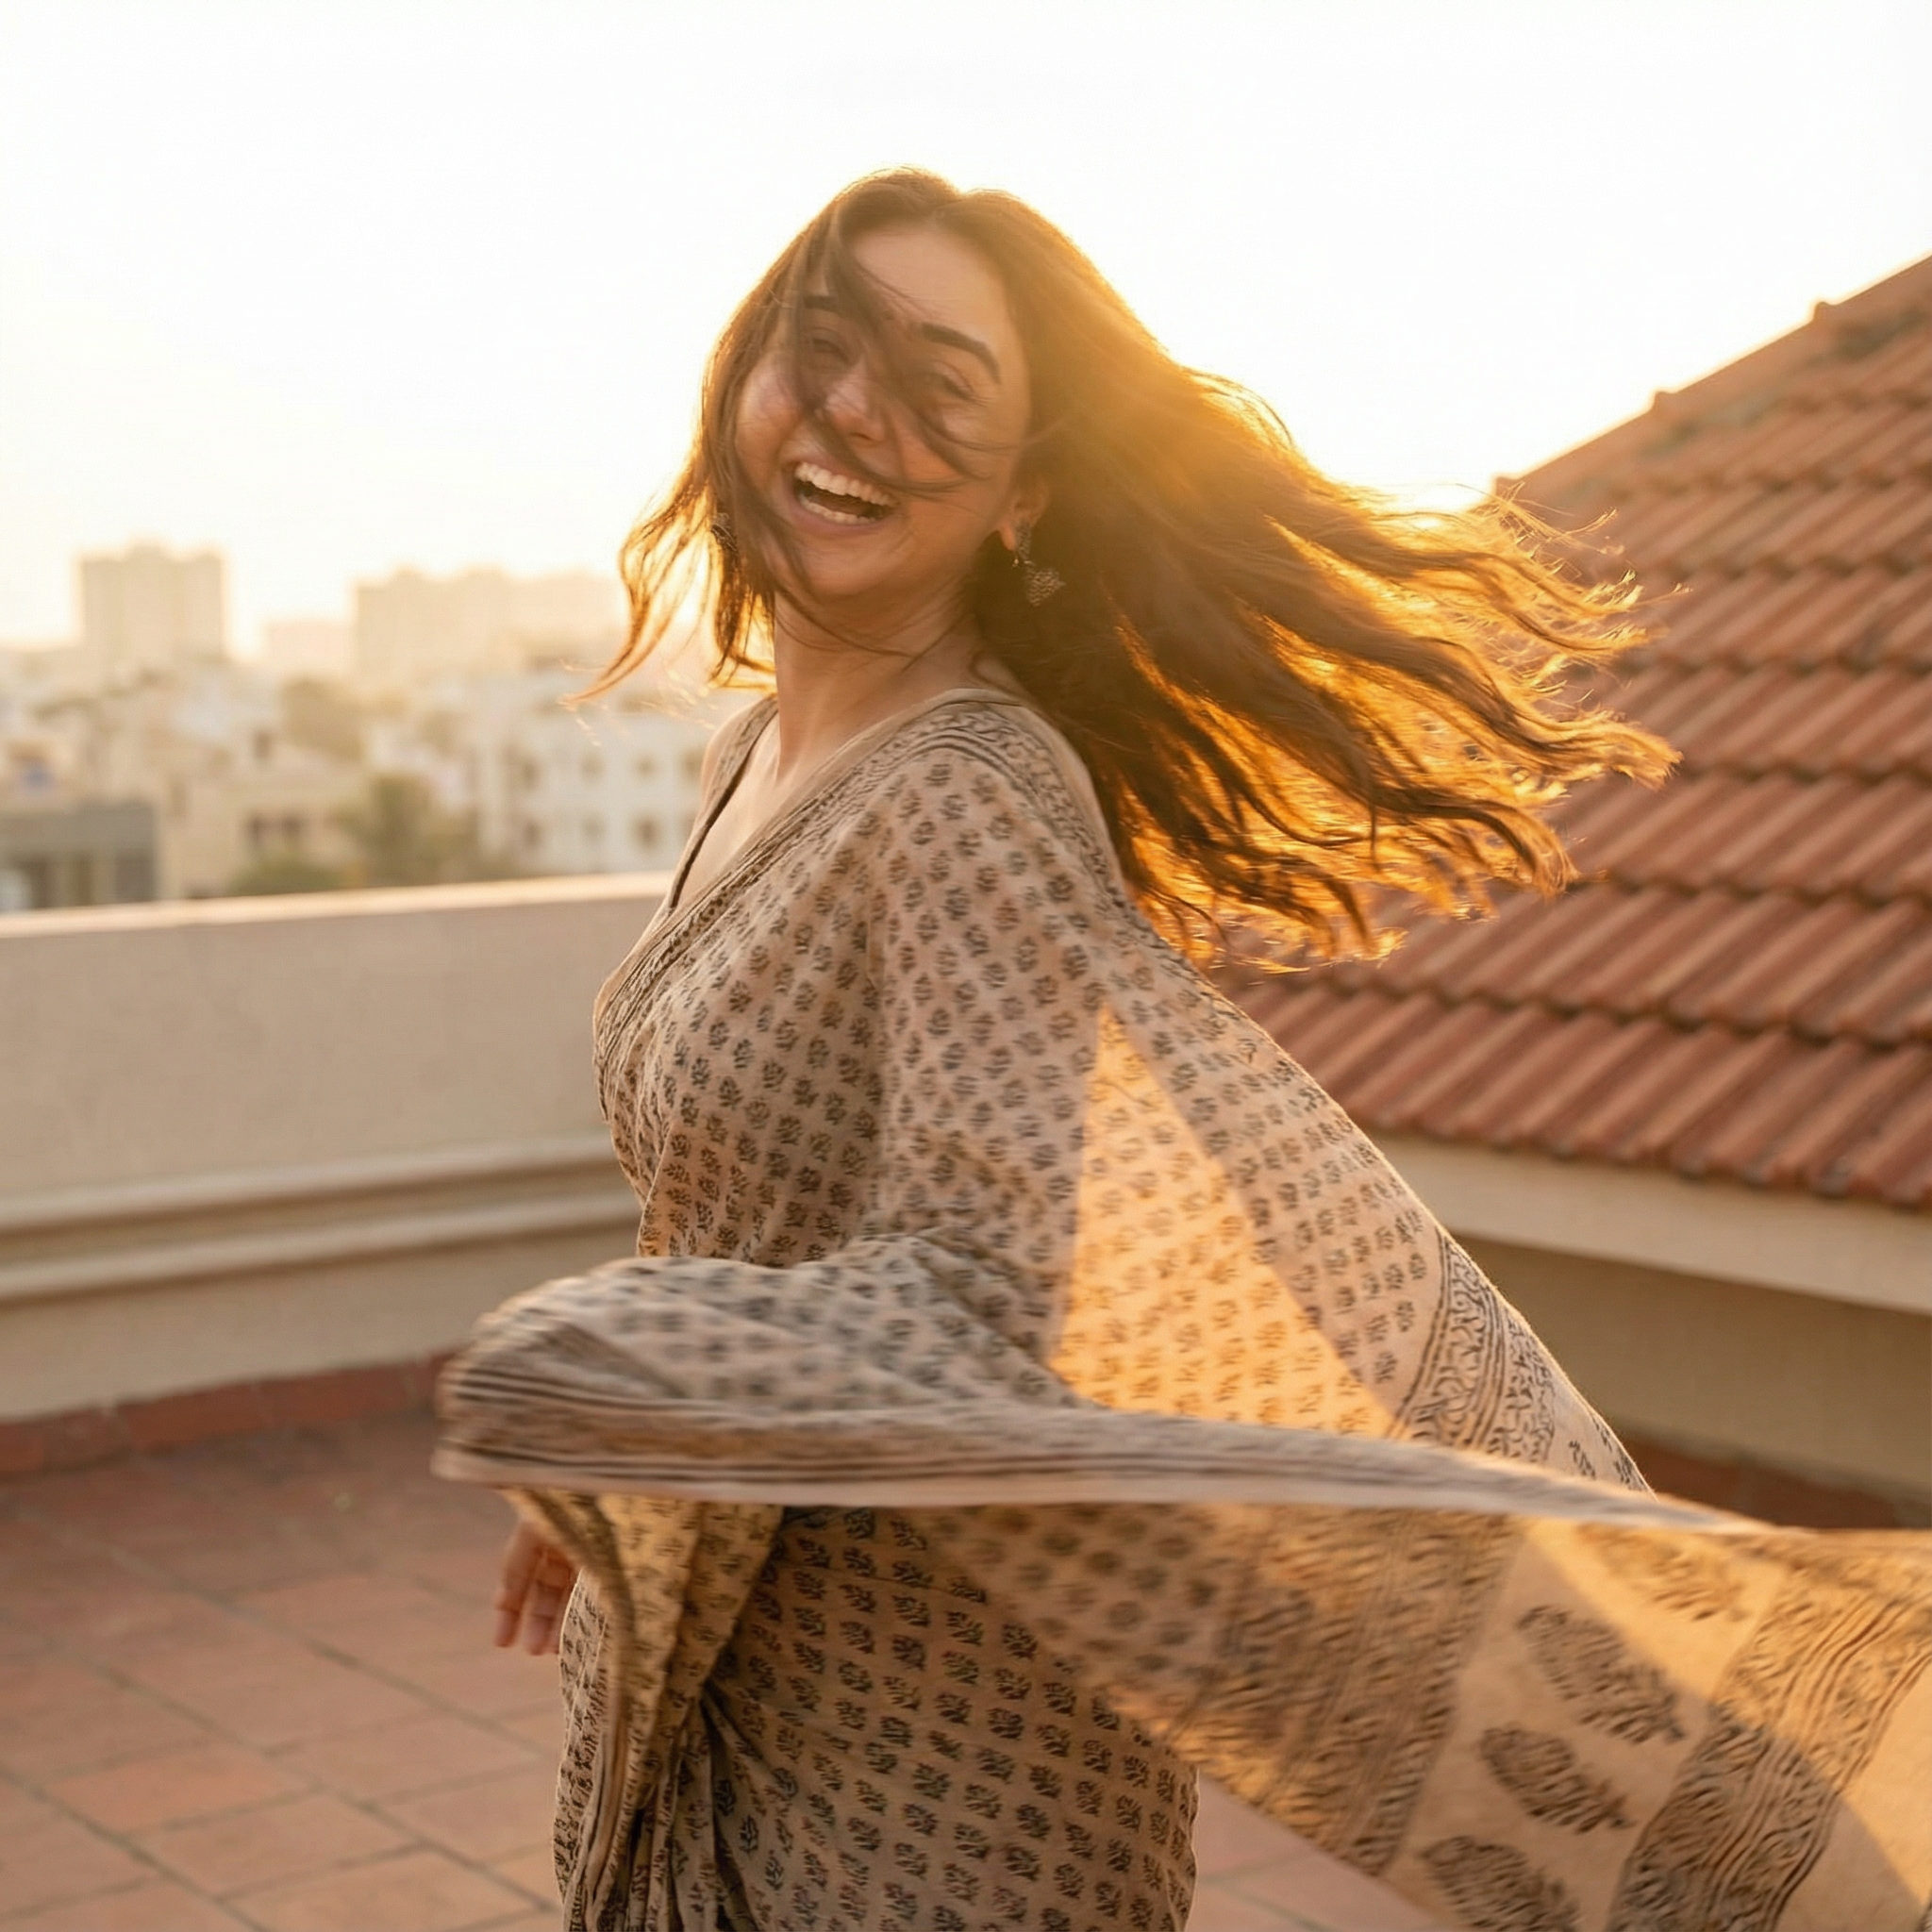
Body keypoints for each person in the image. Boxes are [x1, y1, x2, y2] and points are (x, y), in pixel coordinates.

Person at [437, 170, 1932, 1932]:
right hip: (758, 1645)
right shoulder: (755, 754)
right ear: (741, 374)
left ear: (1027, 488)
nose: (851, 413)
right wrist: (649, 1425)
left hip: (927, 1731)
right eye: (818, 347)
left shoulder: (965, 802)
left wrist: (627, 1366)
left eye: (938, 387)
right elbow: (769, 1189)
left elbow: (1008, 1290)